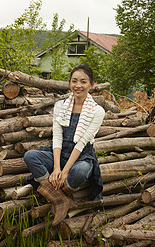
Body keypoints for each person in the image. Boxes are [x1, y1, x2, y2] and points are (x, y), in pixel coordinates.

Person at [24, 64, 105, 226]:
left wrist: (65, 170)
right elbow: (57, 137)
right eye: (74, 81)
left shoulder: (97, 111)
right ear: (69, 83)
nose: (78, 86)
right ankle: (59, 198)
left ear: (91, 85)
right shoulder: (60, 106)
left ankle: (52, 192)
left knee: (80, 172)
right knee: (30, 156)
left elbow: (82, 143)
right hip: (59, 154)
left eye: (83, 82)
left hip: (81, 156)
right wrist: (56, 168)